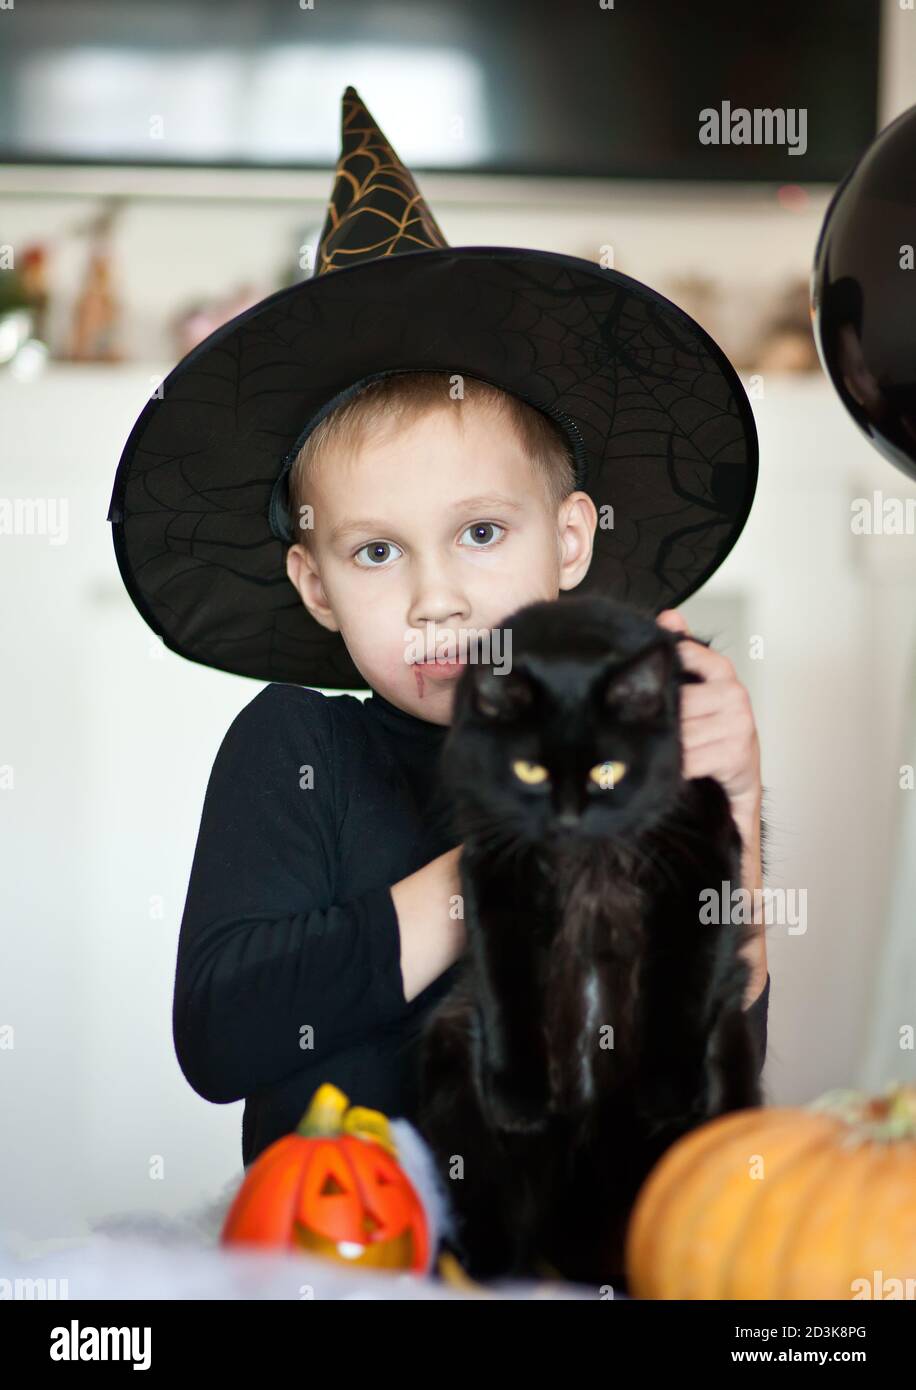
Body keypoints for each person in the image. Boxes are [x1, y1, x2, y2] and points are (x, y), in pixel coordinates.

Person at [107, 88, 768, 1168]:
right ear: (315, 586)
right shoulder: (298, 749)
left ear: (568, 540)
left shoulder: (621, 764)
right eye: (375, 551)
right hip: (342, 1263)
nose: (435, 599)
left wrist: (730, 807)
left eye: (479, 533)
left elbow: (704, 1084)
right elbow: (222, 1036)